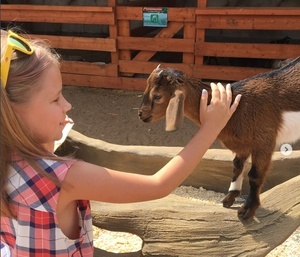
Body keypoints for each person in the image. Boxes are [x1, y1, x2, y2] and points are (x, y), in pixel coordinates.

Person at [0, 28, 241, 257]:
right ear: (11, 113)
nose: (67, 105)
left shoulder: (6, 160)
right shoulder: (64, 178)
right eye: (55, 99)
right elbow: (158, 185)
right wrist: (211, 127)